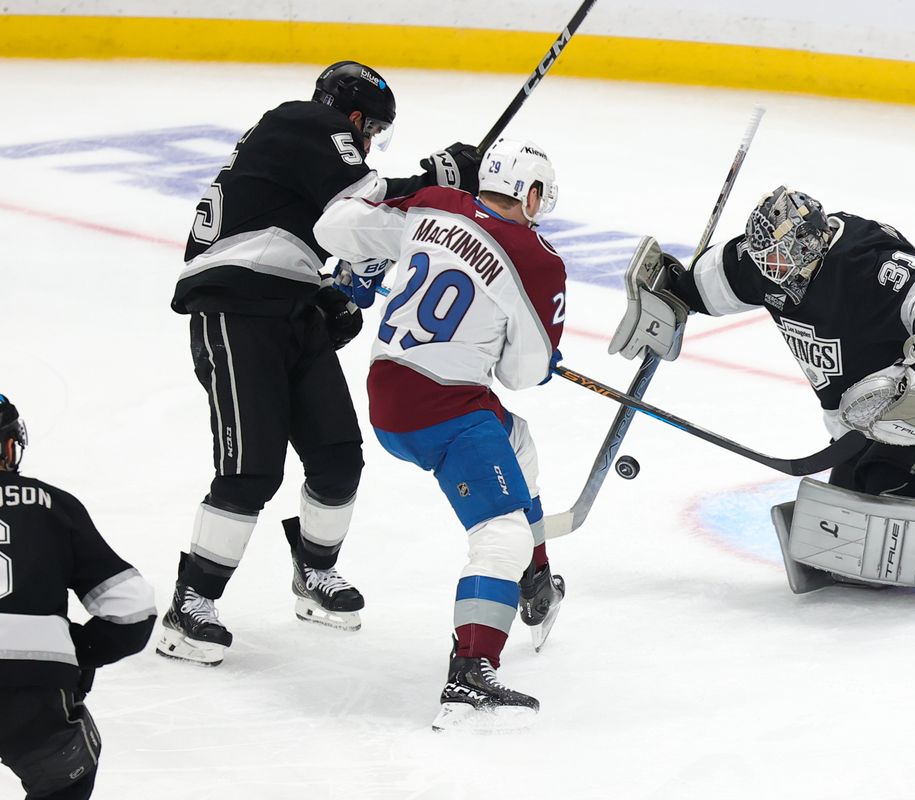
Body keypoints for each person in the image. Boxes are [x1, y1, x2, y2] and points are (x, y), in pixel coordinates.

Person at [609, 186, 915, 607]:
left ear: (810, 243)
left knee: (888, 489)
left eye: (780, 259)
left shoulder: (861, 256)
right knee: (852, 515)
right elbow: (701, 285)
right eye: (765, 260)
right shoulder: (762, 263)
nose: (772, 272)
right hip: (874, 422)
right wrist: (669, 299)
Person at [161, 60, 483, 666]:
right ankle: (191, 602)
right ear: (354, 117)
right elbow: (364, 201)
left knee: (338, 459)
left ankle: (314, 573)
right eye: (372, 131)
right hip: (235, 307)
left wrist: (333, 292)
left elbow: (335, 231)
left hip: (290, 306)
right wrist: (440, 177)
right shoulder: (305, 121)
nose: (369, 144)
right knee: (250, 471)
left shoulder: (299, 154)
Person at [313, 137, 567, 731]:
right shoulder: (537, 259)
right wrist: (540, 355)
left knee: (518, 442)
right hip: (444, 408)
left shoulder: (434, 203)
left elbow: (333, 228)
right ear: (531, 195)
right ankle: (471, 673)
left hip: (387, 396)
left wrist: (398, 186)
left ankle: (534, 578)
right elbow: (522, 374)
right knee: (500, 533)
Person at [0, 395, 157, 799]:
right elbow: (133, 608)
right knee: (66, 776)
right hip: (36, 688)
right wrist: (75, 651)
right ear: (9, 446)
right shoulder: (55, 506)